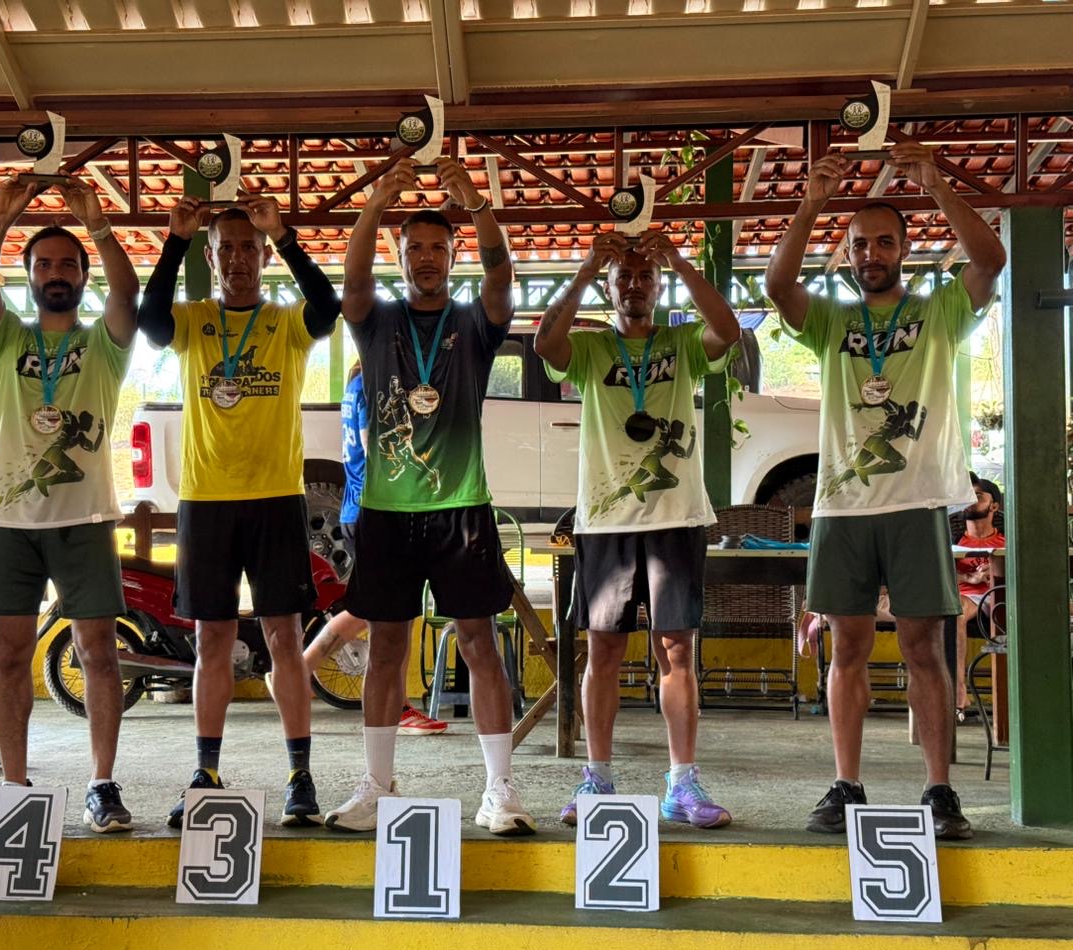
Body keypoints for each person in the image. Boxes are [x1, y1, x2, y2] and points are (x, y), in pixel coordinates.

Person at [766, 140, 1006, 840]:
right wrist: (811, 203)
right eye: (860, 244)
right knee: (846, 647)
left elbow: (990, 260)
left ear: (904, 248)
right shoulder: (832, 322)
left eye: (883, 242)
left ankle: (939, 791)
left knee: (924, 648)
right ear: (846, 253)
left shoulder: (940, 311)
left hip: (918, 502)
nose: (871, 253)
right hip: (843, 507)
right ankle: (846, 784)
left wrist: (937, 186)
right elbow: (779, 287)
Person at [325, 156, 534, 836]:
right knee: (387, 647)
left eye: (436, 248)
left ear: (452, 255)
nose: (424, 258)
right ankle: (377, 785)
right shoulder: (375, 320)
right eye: (413, 247)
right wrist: (374, 205)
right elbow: (353, 280)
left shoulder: (475, 323)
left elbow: (502, 277)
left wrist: (477, 205)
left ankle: (500, 791)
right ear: (400, 255)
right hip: (386, 513)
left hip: (460, 507)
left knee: (479, 642)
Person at [136, 194, 340, 828]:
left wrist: (287, 237)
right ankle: (207, 770)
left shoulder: (286, 323)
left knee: (284, 638)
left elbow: (328, 309)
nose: (238, 259)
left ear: (263, 256)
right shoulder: (193, 321)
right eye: (225, 249)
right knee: (213, 641)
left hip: (275, 499)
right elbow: (149, 323)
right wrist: (174, 242)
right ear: (212, 258)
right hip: (207, 501)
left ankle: (300, 775)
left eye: (249, 248)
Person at [535, 229, 740, 829]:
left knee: (677, 650)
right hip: (606, 521)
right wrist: (583, 270)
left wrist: (679, 260)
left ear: (658, 286)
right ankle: (597, 778)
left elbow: (727, 330)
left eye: (645, 276)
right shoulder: (592, 348)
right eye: (622, 276)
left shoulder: (683, 343)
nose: (634, 285)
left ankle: (682, 783)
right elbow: (546, 343)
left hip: (677, 517)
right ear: (609, 288)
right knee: (603, 649)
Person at [0, 175, 140, 835]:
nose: (56, 273)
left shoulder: (103, 345)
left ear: (82, 276)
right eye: (43, 265)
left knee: (99, 653)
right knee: (10, 656)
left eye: (68, 264)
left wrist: (98, 226)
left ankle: (102, 784)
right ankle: (13, 788)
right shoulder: (5, 338)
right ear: (30, 276)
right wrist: (0, 218)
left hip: (85, 519)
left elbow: (127, 292)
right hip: (10, 522)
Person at [298, 361, 447, 736]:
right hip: (377, 510)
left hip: (363, 508)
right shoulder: (373, 387)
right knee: (375, 611)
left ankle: (398, 705)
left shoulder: (357, 385)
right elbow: (379, 449)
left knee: (391, 613)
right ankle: (301, 671)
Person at [955, 473, 1004, 719]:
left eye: (977, 496)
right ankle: (959, 692)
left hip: (1002, 595)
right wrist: (969, 577)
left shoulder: (1006, 539)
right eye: (967, 495)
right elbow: (935, 574)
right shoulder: (952, 539)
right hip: (969, 597)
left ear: (994, 506)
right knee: (955, 612)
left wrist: (996, 570)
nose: (970, 500)